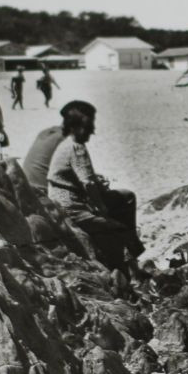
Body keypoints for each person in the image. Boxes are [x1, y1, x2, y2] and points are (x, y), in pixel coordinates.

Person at [41, 102, 144, 280]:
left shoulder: (65, 145)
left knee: (125, 197)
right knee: (120, 222)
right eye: (88, 126)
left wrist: (97, 184)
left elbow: (83, 177)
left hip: (61, 204)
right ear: (74, 127)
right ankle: (130, 263)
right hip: (73, 209)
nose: (92, 131)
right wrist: (101, 209)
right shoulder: (77, 147)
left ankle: (132, 256)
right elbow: (88, 183)